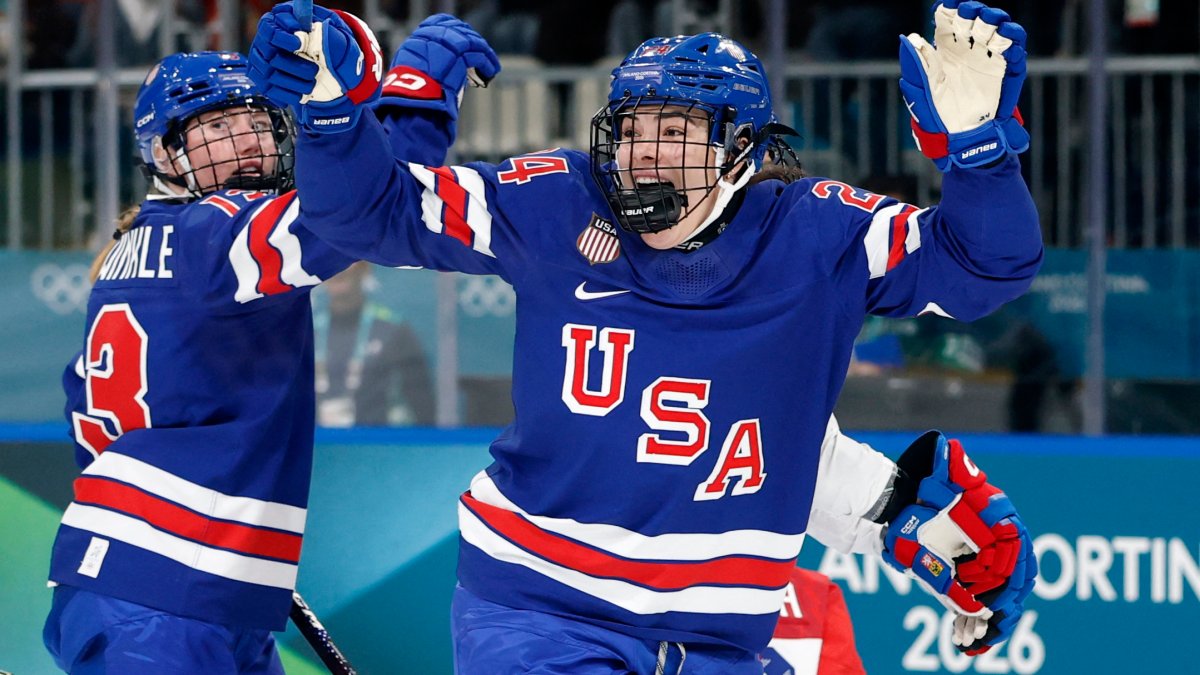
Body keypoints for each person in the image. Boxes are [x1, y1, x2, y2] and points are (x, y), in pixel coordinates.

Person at [250, 0, 1040, 671]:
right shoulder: (555, 202)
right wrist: (332, 119)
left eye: (676, 130)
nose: (644, 154)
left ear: (739, 147)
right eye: (632, 129)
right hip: (540, 613)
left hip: (718, 639)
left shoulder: (821, 235)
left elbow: (984, 268)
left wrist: (980, 156)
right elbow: (368, 215)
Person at [41, 12, 500, 671]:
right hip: (164, 593)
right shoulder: (214, 232)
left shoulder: (133, 247)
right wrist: (414, 103)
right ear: (165, 154)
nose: (248, 140)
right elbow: (359, 211)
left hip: (173, 577)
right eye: (218, 126)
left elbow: (85, 415)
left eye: (257, 121)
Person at [313, 261, 436, 426]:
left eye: (346, 259)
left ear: (365, 269)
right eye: (331, 259)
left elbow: (423, 406)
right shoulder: (309, 332)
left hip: (379, 438)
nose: (339, 271)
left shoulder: (394, 330)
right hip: (319, 439)